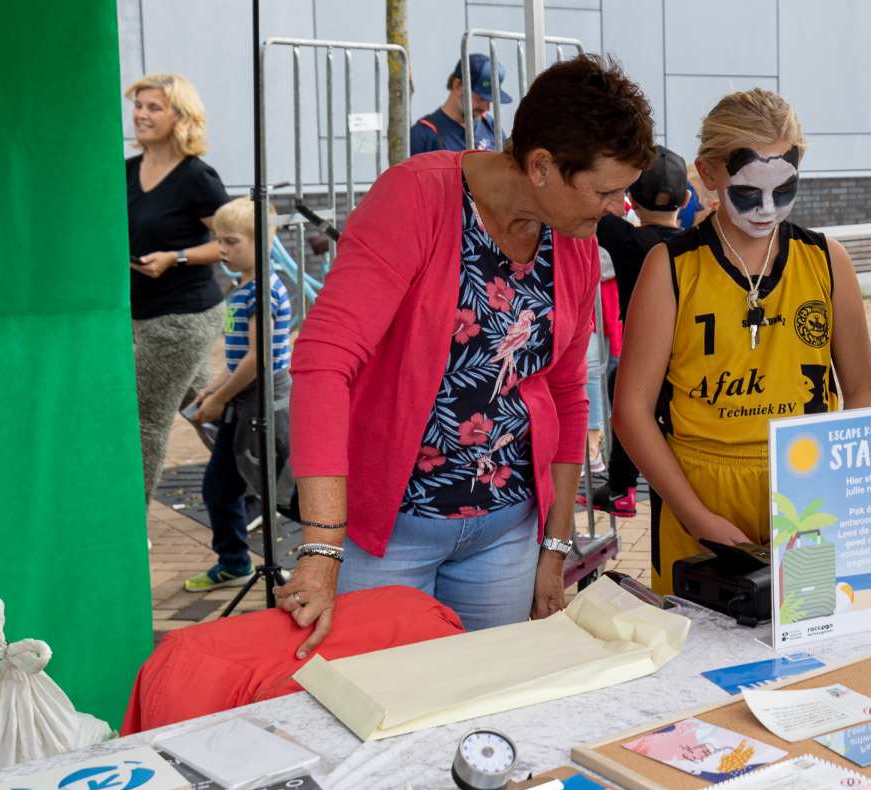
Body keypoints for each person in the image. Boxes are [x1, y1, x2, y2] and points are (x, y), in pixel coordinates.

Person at [280, 55, 655, 655]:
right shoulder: (416, 197)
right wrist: (322, 547)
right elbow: (324, 361)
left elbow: (565, 393)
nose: (619, 208)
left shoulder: (574, 241)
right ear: (541, 166)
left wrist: (554, 549)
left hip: (504, 535)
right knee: (385, 698)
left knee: (488, 696)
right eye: (606, 190)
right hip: (388, 536)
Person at [614, 89, 871, 596]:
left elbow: (865, 391)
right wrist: (696, 517)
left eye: (785, 190)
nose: (766, 208)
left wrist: (838, 495)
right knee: (703, 640)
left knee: (806, 631)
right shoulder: (671, 267)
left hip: (806, 496)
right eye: (747, 193)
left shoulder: (827, 261)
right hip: (698, 497)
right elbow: (631, 410)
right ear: (707, 174)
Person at [126, 73, 230, 505]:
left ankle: (132, 523)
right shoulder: (127, 171)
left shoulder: (196, 177)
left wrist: (176, 257)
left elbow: (232, 241)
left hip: (183, 318)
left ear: (180, 117)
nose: (141, 115)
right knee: (207, 411)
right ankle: (270, 481)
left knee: (143, 420)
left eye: (154, 107)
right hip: (143, 314)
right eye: (138, 105)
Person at [181, 198, 294, 592]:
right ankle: (234, 561)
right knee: (222, 486)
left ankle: (321, 556)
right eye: (219, 240)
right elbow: (240, 357)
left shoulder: (261, 291)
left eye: (232, 241)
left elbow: (258, 358)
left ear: (260, 242)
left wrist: (217, 399)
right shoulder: (243, 288)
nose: (222, 249)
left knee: (280, 489)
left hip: (260, 403)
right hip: (245, 398)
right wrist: (214, 387)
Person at [585, 145, 691, 517]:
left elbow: (595, 212)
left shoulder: (627, 239)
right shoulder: (695, 245)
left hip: (641, 359)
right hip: (687, 358)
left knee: (625, 400)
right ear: (687, 199)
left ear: (630, 197)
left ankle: (622, 488)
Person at [410, 54, 511, 154]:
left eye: (490, 100)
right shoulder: (422, 135)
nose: (487, 108)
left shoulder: (491, 126)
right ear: (457, 86)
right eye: (480, 99)